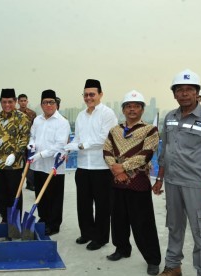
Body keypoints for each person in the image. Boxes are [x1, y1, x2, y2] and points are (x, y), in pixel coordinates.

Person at [153, 69, 201, 276]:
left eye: (189, 89)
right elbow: (165, 149)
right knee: (174, 226)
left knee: (200, 232)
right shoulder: (170, 117)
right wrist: (159, 178)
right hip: (172, 182)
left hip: (196, 183)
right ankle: (173, 266)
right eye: (179, 90)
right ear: (174, 94)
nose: (184, 93)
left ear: (197, 93)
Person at [103, 90, 161, 275]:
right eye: (128, 106)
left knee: (143, 223)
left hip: (139, 182)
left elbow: (147, 153)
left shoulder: (150, 130)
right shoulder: (115, 130)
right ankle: (122, 249)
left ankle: (152, 259)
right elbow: (106, 150)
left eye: (136, 106)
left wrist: (123, 167)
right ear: (123, 109)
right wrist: (115, 169)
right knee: (118, 218)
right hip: (117, 182)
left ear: (142, 109)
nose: (132, 109)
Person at [64, 79, 118, 251]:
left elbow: (104, 139)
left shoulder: (107, 114)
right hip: (83, 166)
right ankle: (87, 233)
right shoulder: (80, 115)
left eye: (92, 94)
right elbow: (77, 139)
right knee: (83, 203)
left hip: (101, 167)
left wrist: (80, 145)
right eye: (86, 95)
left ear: (100, 94)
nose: (89, 97)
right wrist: (67, 148)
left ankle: (101, 238)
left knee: (102, 205)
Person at [27, 89, 70, 236]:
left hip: (54, 165)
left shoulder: (62, 122)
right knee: (41, 193)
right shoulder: (37, 120)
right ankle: (43, 218)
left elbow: (59, 145)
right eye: (45, 102)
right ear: (41, 104)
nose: (48, 105)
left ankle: (54, 224)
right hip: (38, 165)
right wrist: (31, 145)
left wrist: (40, 154)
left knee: (54, 196)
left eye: (51, 102)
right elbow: (32, 136)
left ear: (56, 104)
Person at [0, 88, 30, 223]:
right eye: (4, 102)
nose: (7, 105)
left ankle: (16, 220)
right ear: (0, 102)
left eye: (10, 102)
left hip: (15, 163)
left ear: (15, 101)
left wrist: (16, 154)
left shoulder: (22, 117)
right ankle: (5, 219)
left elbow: (24, 138)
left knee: (14, 193)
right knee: (0, 194)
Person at [17, 93, 37, 191]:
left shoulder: (32, 114)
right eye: (21, 101)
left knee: (30, 162)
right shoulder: (15, 113)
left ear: (27, 101)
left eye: (25, 100)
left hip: (30, 142)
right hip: (18, 142)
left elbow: (35, 127)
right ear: (18, 102)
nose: (23, 102)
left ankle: (30, 183)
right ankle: (19, 182)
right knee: (20, 162)